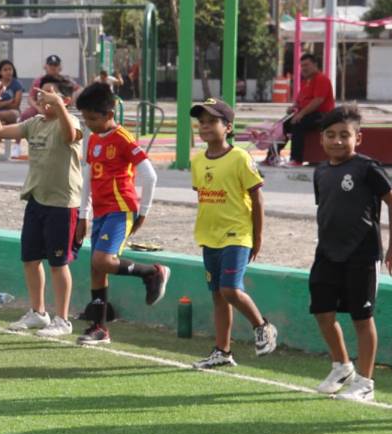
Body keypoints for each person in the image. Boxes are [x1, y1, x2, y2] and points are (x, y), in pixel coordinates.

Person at [309, 105, 392, 402]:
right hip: (326, 253)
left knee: (362, 318)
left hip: (361, 255)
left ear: (357, 138)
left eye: (344, 135)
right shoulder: (320, 171)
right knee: (323, 313)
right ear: (322, 138)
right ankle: (341, 367)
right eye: (331, 135)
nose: (337, 141)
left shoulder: (367, 168)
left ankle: (365, 382)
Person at [0, 75, 83, 338]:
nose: (44, 98)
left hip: (63, 204)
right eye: (41, 93)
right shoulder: (34, 124)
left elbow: (70, 135)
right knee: (30, 259)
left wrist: (59, 106)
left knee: (58, 263)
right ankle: (39, 313)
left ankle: (62, 319)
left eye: (50, 94)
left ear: (64, 99)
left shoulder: (70, 120)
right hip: (36, 199)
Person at [74, 81, 170, 345]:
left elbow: (150, 175)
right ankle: (99, 327)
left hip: (121, 209)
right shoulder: (93, 139)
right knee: (96, 266)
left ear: (109, 115)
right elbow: (88, 176)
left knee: (102, 261)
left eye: (93, 118)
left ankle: (152, 272)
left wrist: (144, 211)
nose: (89, 124)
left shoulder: (124, 139)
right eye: (85, 118)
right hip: (102, 212)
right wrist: (83, 216)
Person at [187, 98, 278, 369]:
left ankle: (262, 326)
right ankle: (222, 352)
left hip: (237, 234)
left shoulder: (239, 157)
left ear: (227, 127)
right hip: (209, 236)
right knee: (218, 294)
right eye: (201, 122)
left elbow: (257, 198)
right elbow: (205, 196)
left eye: (212, 121)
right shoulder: (198, 160)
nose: (204, 126)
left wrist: (257, 237)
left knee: (229, 289)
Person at [275, 53, 334, 167]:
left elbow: (318, 101)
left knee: (297, 124)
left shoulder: (322, 79)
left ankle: (296, 159)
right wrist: (293, 108)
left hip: (322, 115)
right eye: (302, 66)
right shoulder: (305, 81)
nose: (304, 68)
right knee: (283, 125)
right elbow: (300, 101)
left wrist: (300, 114)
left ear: (315, 65)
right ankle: (272, 155)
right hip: (309, 114)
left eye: (306, 65)